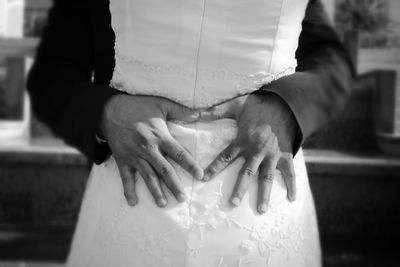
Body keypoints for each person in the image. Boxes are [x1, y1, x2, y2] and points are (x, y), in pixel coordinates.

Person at [27, 0, 354, 266]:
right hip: (129, 204)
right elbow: (51, 74)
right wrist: (105, 112)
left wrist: (286, 109)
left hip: (264, 213)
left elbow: (330, 63)